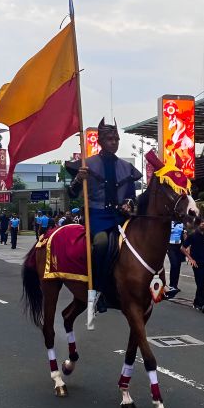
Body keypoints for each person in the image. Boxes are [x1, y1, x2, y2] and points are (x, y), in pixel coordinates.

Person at [67, 118, 142, 317]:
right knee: (101, 243)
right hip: (97, 215)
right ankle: (97, 290)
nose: (114, 142)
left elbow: (131, 196)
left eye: (116, 139)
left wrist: (128, 204)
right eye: (110, 139)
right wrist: (78, 179)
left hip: (119, 217)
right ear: (100, 141)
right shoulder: (87, 165)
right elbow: (72, 194)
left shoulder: (126, 167)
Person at [181, 218, 204, 313]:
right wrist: (190, 259)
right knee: (199, 283)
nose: (203, 224)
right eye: (201, 222)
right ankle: (203, 304)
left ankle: (196, 302)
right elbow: (182, 248)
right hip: (197, 263)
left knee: (202, 284)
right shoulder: (193, 235)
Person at [165, 220, 185, 299]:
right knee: (174, 264)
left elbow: (184, 235)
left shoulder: (182, 223)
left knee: (178, 265)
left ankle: (175, 285)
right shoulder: (170, 222)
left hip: (179, 246)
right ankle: (171, 285)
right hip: (170, 246)